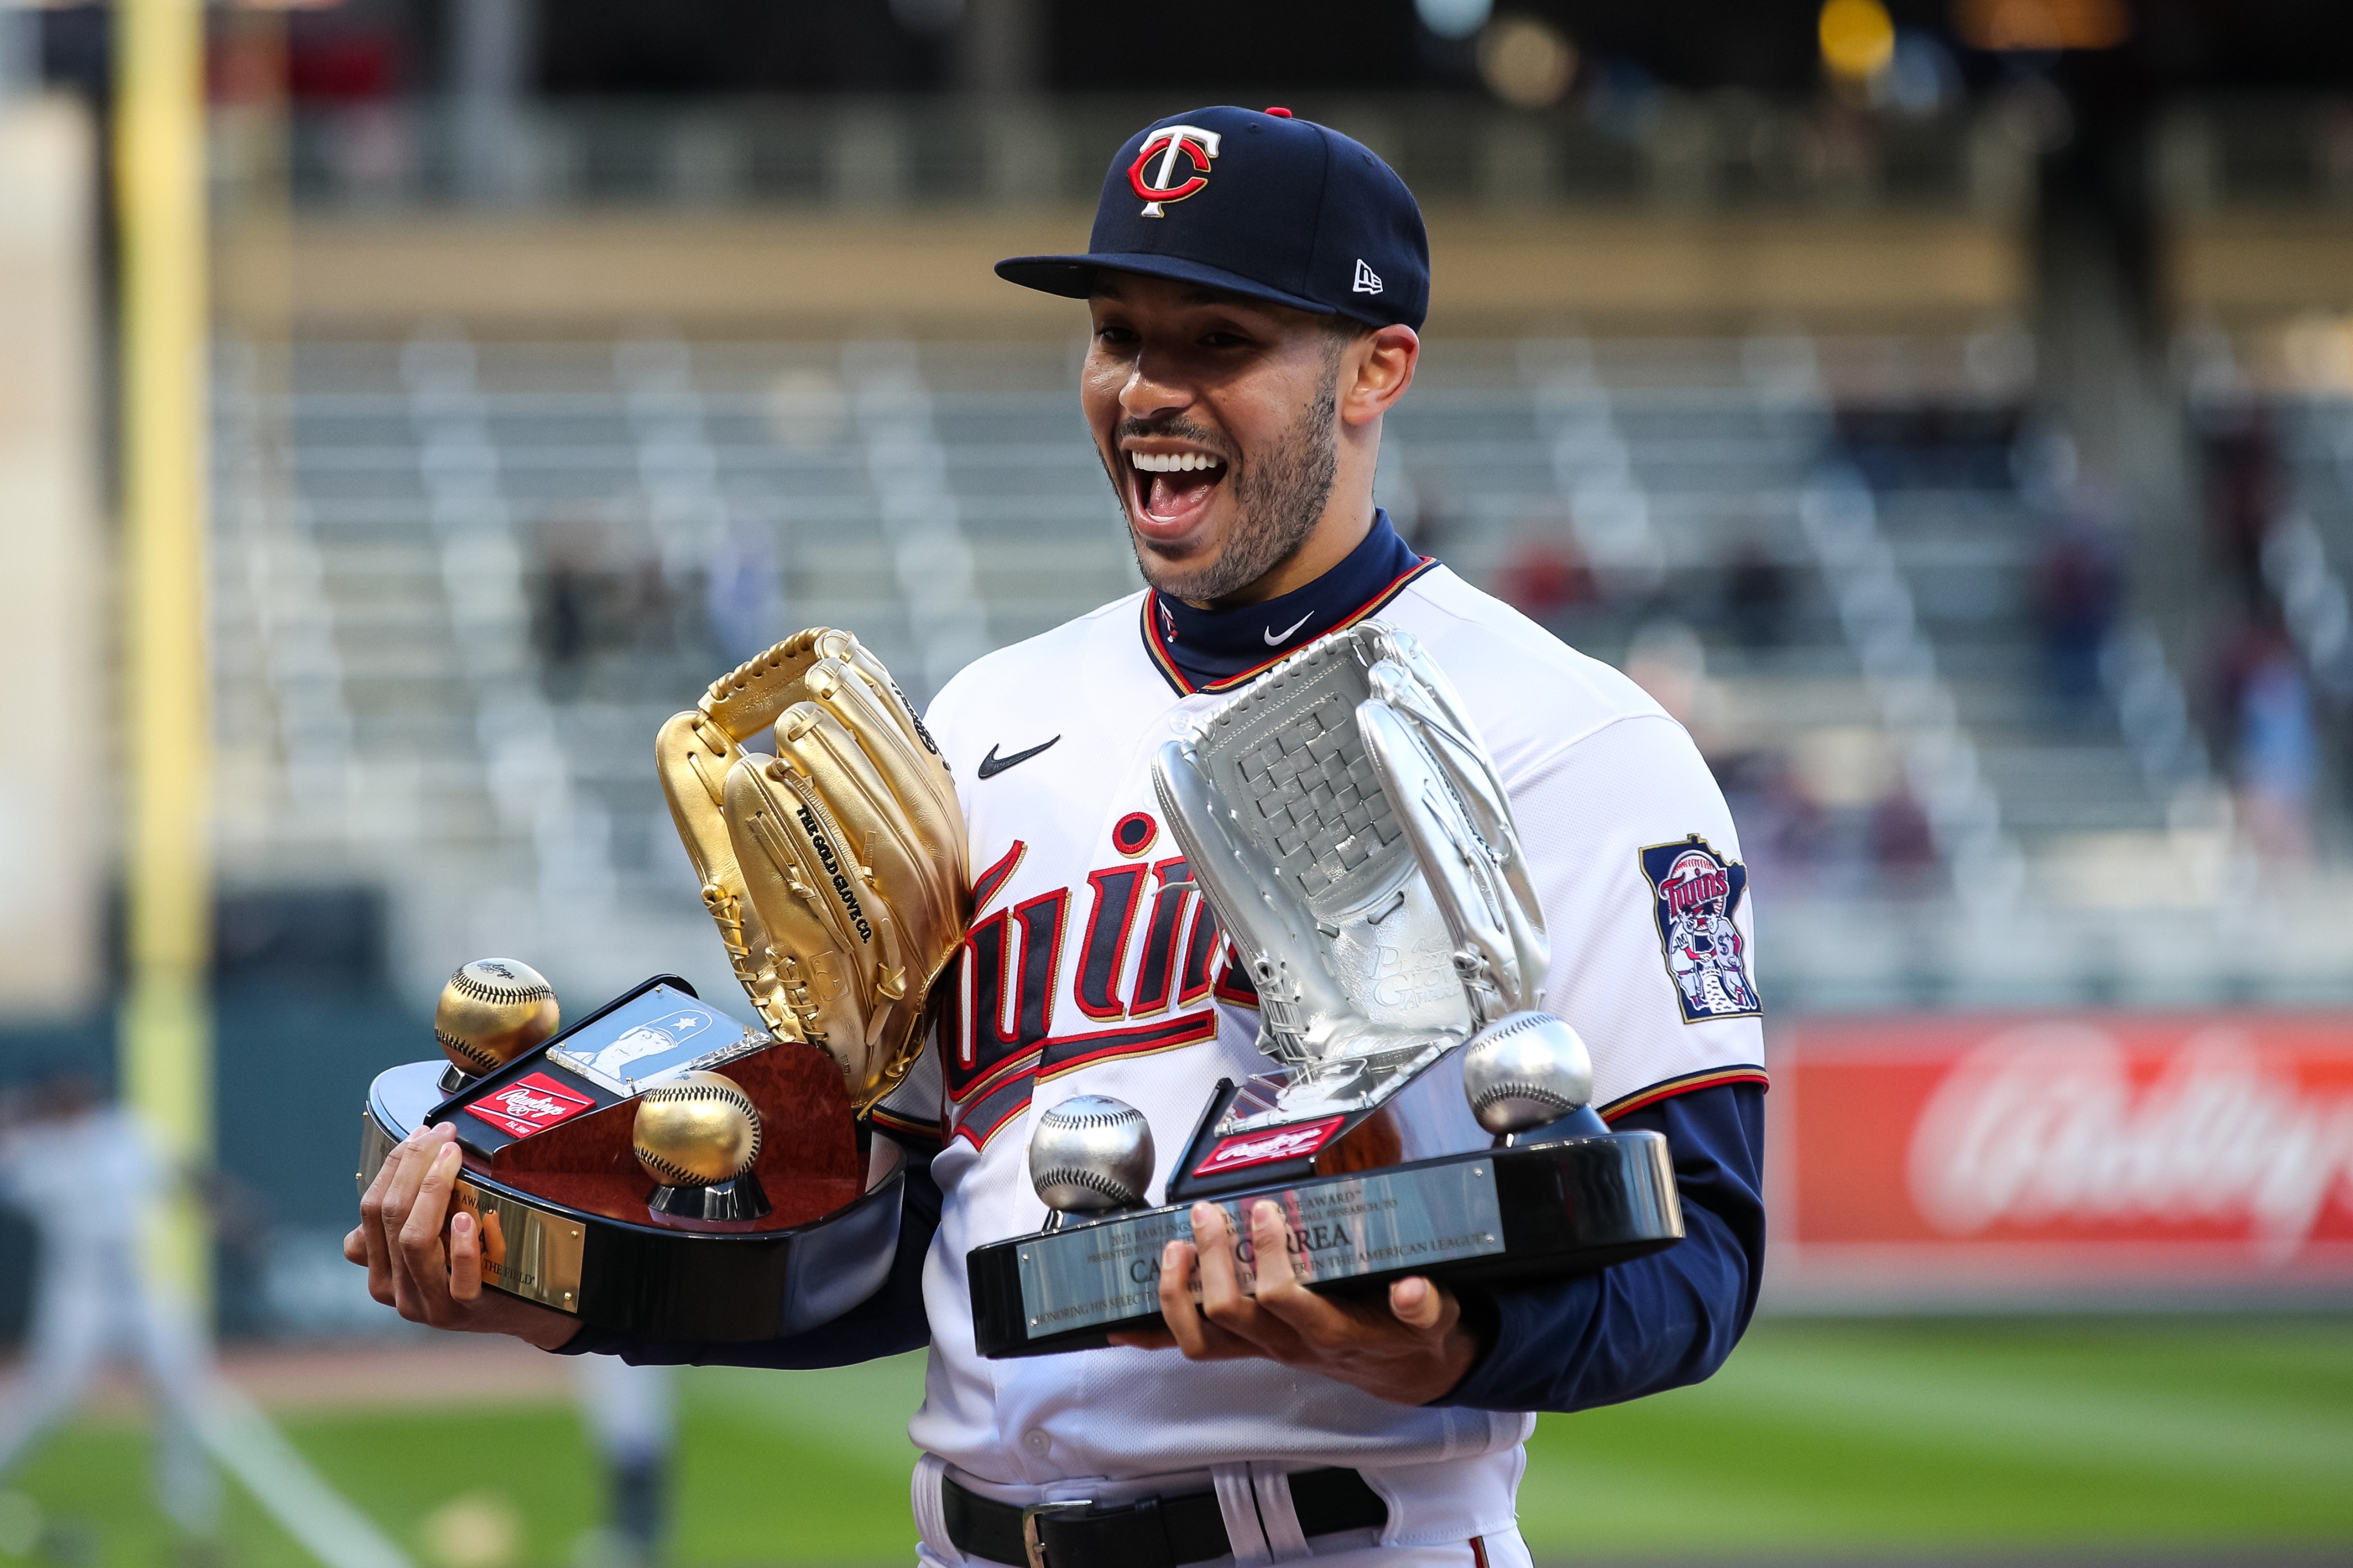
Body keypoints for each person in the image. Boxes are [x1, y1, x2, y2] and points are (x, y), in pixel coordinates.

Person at [350, 106, 1768, 1568]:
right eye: (1116, 334)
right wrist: (568, 1289)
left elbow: (1702, 1254)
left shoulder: (1572, 736)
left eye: (1219, 340)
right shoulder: (989, 719)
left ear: (1377, 367)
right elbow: (926, 1249)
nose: (1149, 388)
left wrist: (1454, 1341)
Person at [0, 1073, 219, 1542]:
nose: (74, 1100)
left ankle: (186, 1496)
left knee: (181, 1378)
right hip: (78, 1288)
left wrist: (230, 1215)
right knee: (50, 1391)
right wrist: (21, 1108)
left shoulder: (126, 1133)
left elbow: (185, 1175)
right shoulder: (39, 1148)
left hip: (138, 1280)